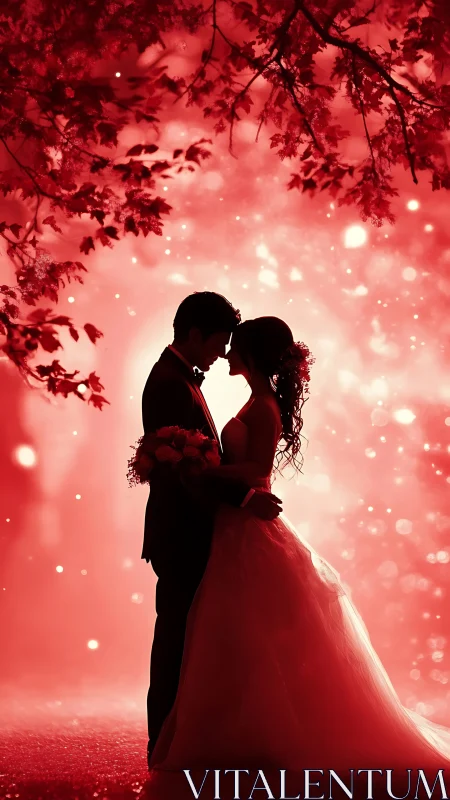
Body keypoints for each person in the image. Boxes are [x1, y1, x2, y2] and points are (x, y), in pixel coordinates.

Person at [148, 316, 450, 773]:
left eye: (234, 349)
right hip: (233, 525)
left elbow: (256, 472)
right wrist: (197, 462)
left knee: (245, 629)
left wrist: (197, 465)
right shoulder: (255, 400)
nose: (226, 354)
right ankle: (234, 728)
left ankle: (256, 731)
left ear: (249, 356)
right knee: (230, 631)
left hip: (245, 526)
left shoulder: (263, 406)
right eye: (223, 345)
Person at [141, 294, 283, 766]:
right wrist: (244, 498)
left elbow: (202, 463)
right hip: (182, 532)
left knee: (195, 640)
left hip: (202, 529)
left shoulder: (182, 380)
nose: (223, 353)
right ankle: (163, 745)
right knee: (176, 643)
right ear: (196, 334)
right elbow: (184, 470)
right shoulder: (168, 383)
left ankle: (184, 739)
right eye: (220, 341)